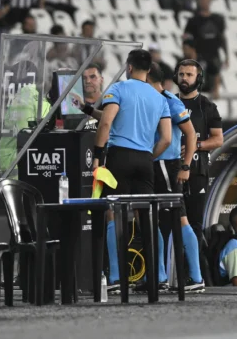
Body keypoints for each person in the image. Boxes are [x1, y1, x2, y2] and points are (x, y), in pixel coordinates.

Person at [93, 49, 172, 292]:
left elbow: (106, 122)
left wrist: (98, 157)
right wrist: (149, 155)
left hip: (119, 156)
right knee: (145, 216)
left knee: (114, 215)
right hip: (145, 160)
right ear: (149, 70)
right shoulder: (159, 97)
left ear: (128, 67)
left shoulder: (118, 89)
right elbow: (167, 138)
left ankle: (117, 277)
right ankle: (157, 275)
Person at [133, 62, 204, 293]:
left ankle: (196, 277)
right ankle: (159, 276)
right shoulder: (146, 99)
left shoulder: (170, 101)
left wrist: (185, 166)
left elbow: (190, 133)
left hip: (166, 164)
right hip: (152, 164)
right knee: (152, 220)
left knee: (180, 219)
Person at [174, 59, 223, 245]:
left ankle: (194, 270)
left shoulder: (207, 106)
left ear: (198, 78)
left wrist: (197, 145)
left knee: (194, 224)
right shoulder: (168, 102)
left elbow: (218, 139)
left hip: (197, 172)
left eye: (189, 75)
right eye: (181, 74)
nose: (184, 78)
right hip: (170, 171)